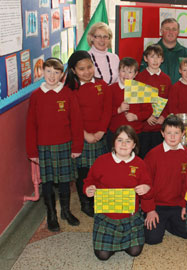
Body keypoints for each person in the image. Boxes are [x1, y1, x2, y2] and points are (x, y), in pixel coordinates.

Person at [26, 58, 83, 231]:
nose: (52, 76)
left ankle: (65, 211)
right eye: (48, 71)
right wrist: (32, 151)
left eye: (56, 72)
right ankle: (51, 214)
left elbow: (76, 123)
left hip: (64, 145)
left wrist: (77, 147)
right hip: (43, 147)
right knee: (48, 182)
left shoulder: (67, 94)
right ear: (42, 72)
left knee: (65, 181)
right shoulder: (36, 95)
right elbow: (30, 125)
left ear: (62, 75)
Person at [84, 125, 151, 261]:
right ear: (113, 143)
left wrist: (146, 189)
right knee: (102, 256)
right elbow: (89, 180)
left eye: (128, 140)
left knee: (135, 252)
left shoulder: (140, 164)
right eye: (120, 140)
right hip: (106, 216)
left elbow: (149, 189)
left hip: (130, 216)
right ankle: (113, 244)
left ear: (134, 145)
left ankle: (120, 243)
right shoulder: (101, 161)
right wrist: (88, 189)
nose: (124, 144)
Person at [65, 51, 112, 218]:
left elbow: (107, 110)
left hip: (101, 135)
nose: (87, 71)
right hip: (81, 137)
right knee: (83, 172)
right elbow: (71, 117)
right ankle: (86, 202)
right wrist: (85, 134)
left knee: (100, 171)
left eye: (89, 67)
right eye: (81, 69)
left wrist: (100, 131)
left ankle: (99, 201)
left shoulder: (102, 85)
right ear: (73, 70)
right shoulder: (70, 90)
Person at [143, 115, 187, 244]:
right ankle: (155, 220)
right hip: (156, 205)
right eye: (168, 133)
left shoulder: (186, 154)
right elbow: (145, 184)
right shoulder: (153, 155)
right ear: (162, 133)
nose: (172, 137)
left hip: (176, 204)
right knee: (152, 239)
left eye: (176, 133)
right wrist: (150, 210)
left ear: (183, 134)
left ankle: (166, 223)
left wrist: (184, 206)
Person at [108, 57, 152, 155]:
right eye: (123, 71)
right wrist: (118, 110)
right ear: (118, 71)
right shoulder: (111, 89)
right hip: (115, 132)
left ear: (136, 74)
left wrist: (136, 116)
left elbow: (148, 111)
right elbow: (104, 111)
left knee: (135, 160)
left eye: (130, 72)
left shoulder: (140, 89)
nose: (126, 75)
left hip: (135, 132)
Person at [135, 44, 172, 158]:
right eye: (152, 56)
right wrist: (146, 116)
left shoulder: (166, 79)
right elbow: (136, 103)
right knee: (143, 156)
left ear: (162, 59)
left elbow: (168, 101)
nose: (155, 60)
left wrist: (164, 116)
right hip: (143, 127)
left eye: (158, 57)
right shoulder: (140, 78)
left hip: (159, 127)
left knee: (158, 157)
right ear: (146, 59)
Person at [140, 18, 187, 84]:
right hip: (156, 92)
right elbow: (142, 75)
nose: (171, 32)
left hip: (178, 92)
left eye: (174, 29)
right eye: (167, 29)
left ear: (178, 32)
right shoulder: (150, 52)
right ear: (161, 31)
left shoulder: (186, 53)